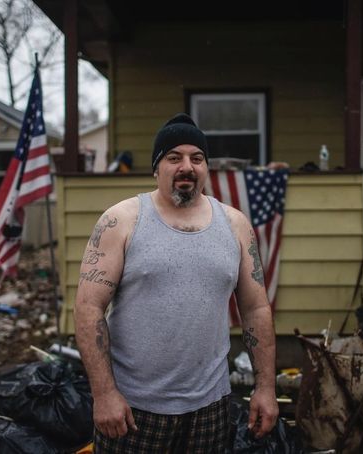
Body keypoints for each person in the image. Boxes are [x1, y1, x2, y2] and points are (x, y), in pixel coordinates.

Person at [74, 113, 278, 452]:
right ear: (157, 168)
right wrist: (104, 393)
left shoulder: (236, 225)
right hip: (134, 408)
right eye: (174, 157)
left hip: (211, 407)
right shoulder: (121, 221)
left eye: (197, 158)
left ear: (206, 168)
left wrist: (266, 388)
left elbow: (256, 309)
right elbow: (88, 307)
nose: (187, 166)